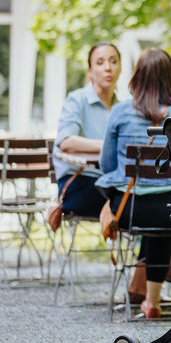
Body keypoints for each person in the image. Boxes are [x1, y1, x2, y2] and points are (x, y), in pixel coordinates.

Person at [96, 48, 171, 319]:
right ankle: (154, 300)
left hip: (131, 209)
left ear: (137, 76)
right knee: (166, 209)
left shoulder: (121, 112)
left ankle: (150, 301)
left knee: (155, 214)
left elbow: (107, 164)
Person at [53, 41, 121, 217]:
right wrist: (106, 146)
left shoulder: (124, 106)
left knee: (160, 201)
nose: (108, 68)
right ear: (90, 71)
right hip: (80, 183)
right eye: (100, 62)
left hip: (113, 183)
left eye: (113, 61)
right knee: (140, 204)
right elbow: (66, 142)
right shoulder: (77, 100)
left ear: (120, 68)